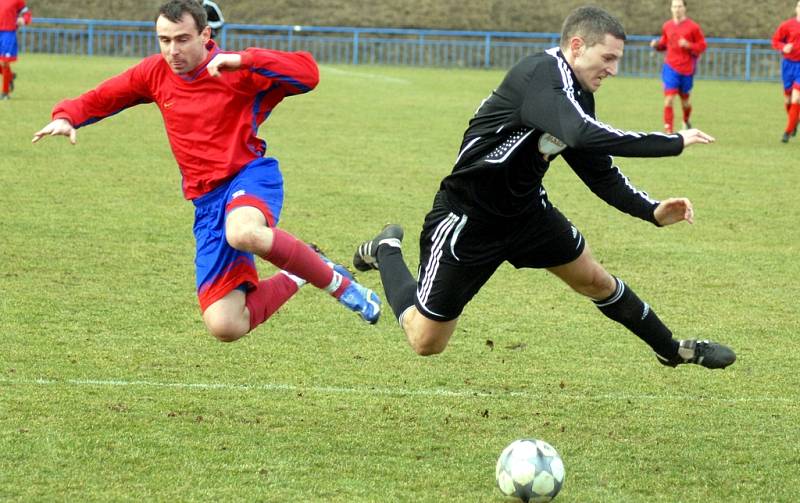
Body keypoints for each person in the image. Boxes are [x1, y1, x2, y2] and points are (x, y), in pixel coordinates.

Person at [352, 5, 736, 369]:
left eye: (617, 59)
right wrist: (671, 142)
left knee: (595, 280)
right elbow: (581, 133)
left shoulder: (577, 92)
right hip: (469, 218)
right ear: (576, 46)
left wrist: (651, 211)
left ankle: (672, 350)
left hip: (527, 214)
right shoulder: (541, 74)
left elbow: (596, 170)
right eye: (608, 58)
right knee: (426, 341)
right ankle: (387, 247)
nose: (614, 69)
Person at [32, 0, 381, 342]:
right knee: (226, 325)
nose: (173, 51)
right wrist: (67, 115)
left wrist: (245, 59)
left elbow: (308, 73)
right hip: (207, 203)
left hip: (249, 177)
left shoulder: (236, 70)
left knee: (243, 232)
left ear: (205, 34)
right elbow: (105, 96)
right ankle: (303, 268)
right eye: (165, 40)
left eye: (182, 39)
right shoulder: (155, 72)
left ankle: (343, 288)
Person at [649, 0, 706, 134]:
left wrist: (689, 45)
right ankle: (668, 131)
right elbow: (664, 43)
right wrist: (656, 45)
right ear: (671, 9)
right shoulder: (667, 26)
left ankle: (686, 120)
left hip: (687, 68)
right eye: (674, 6)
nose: (677, 9)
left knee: (685, 102)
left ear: (685, 8)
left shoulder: (693, 27)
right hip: (670, 66)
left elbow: (702, 45)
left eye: (679, 6)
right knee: (668, 100)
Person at [772, 1, 800, 143]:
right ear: (797, 8)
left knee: (796, 98)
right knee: (788, 99)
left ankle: (787, 131)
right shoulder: (787, 25)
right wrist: (783, 47)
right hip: (788, 65)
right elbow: (775, 41)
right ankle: (794, 122)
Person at [0, 0, 31, 100]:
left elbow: (27, 13)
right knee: (5, 66)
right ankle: (9, 76)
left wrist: (24, 20)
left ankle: (5, 93)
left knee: (5, 62)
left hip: (8, 33)